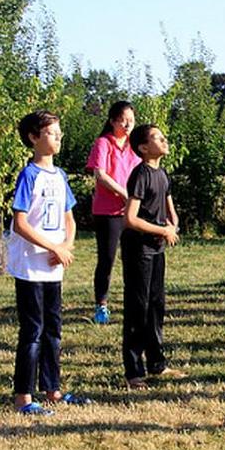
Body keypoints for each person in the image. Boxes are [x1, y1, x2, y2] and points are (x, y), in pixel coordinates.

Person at [8, 110, 91, 415]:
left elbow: (70, 219)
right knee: (33, 331)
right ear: (33, 138)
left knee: (53, 330)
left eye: (59, 132)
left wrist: (65, 247)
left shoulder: (60, 176)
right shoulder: (29, 175)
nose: (58, 137)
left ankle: (52, 389)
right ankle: (23, 398)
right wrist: (52, 246)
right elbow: (20, 223)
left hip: (54, 267)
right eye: (51, 133)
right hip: (31, 266)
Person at [121, 124, 184, 388]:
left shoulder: (162, 173)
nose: (164, 140)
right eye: (158, 138)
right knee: (138, 308)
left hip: (157, 248)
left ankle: (157, 364)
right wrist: (162, 230)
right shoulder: (140, 174)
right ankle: (133, 371)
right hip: (139, 249)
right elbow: (130, 218)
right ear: (143, 147)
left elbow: (169, 208)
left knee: (156, 305)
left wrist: (173, 224)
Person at [85, 101, 140, 325]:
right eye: (123, 120)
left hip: (131, 210)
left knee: (133, 258)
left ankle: (133, 301)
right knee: (107, 258)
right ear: (112, 121)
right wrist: (124, 193)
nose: (127, 125)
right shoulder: (103, 143)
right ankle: (101, 304)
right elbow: (100, 174)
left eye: (131, 121)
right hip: (108, 211)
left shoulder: (135, 145)